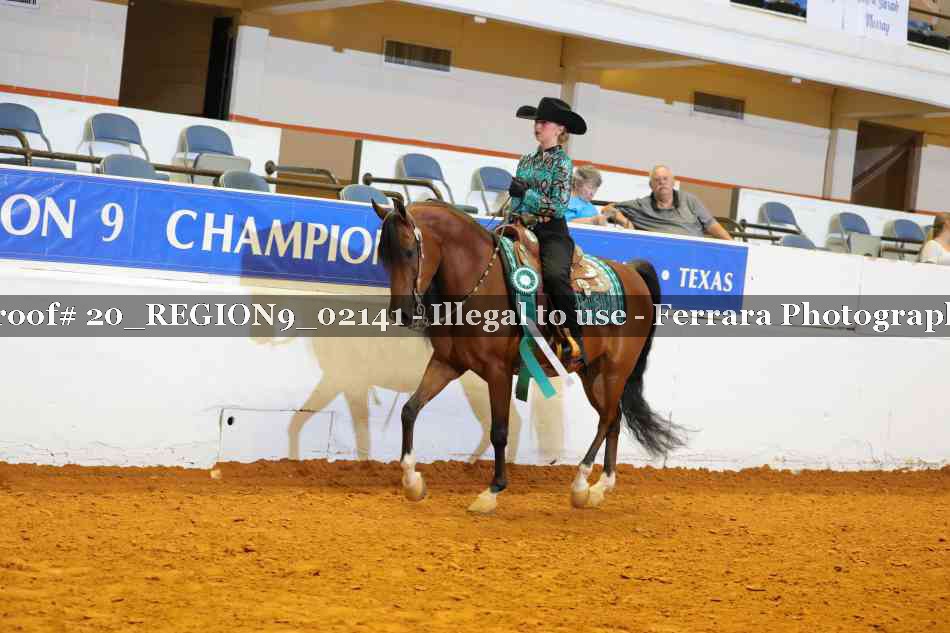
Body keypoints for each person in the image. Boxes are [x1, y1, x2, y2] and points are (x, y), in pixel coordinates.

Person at [508, 97, 588, 363]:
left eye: (544, 122)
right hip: (521, 226)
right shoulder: (525, 161)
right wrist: (514, 210)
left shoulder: (563, 163)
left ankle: (574, 338)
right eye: (537, 121)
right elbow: (517, 200)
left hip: (551, 232)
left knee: (554, 276)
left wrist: (526, 194)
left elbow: (559, 207)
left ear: (560, 129)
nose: (538, 126)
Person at [604, 165, 732, 240]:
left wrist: (735, 246)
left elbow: (711, 225)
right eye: (657, 180)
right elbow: (607, 209)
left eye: (665, 179)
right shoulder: (640, 205)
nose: (662, 182)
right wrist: (624, 222)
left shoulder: (690, 200)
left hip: (693, 254)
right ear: (651, 185)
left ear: (673, 182)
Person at [565, 165, 633, 229]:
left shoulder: (590, 207)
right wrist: (592, 221)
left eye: (595, 189)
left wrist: (603, 220)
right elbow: (565, 224)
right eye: (590, 187)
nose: (592, 193)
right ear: (577, 184)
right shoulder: (567, 202)